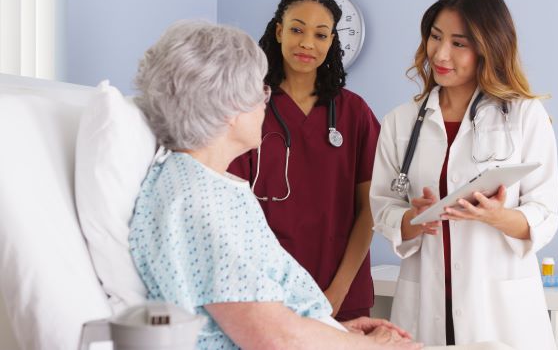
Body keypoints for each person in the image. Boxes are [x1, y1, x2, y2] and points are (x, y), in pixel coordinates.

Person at [129, 20, 420, 350]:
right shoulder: (200, 203)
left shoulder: (205, 185)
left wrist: (335, 332)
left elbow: (263, 317)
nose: (267, 100)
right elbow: (272, 336)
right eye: (260, 90)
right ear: (228, 106)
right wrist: (373, 348)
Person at [369, 0, 558, 348]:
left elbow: (546, 213)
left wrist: (496, 216)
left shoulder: (523, 116)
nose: (441, 54)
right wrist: (411, 219)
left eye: (460, 43)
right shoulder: (400, 122)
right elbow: (382, 206)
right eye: (436, 37)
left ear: (489, 47)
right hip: (426, 305)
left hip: (500, 315)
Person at [228, 0, 379, 321]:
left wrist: (337, 293)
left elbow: (371, 208)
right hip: (267, 292)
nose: (307, 43)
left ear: (331, 41)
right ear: (279, 31)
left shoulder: (354, 113)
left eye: (320, 34)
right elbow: (232, 206)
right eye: (297, 29)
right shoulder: (248, 107)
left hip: (341, 293)